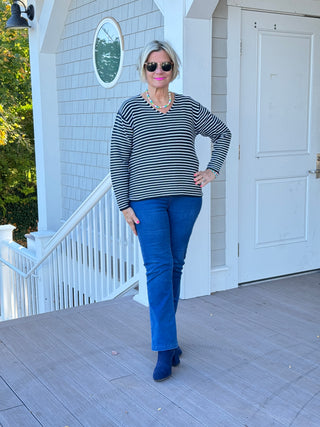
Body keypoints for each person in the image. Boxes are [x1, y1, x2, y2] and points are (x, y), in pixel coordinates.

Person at [110, 40, 231, 382]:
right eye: (152, 66)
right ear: (143, 70)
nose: (159, 71)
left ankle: (169, 340)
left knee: (175, 267)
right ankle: (165, 349)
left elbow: (222, 133)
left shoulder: (189, 108)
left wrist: (213, 170)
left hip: (185, 200)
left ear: (173, 69)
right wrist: (124, 204)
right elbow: (118, 159)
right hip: (146, 202)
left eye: (165, 65)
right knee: (159, 269)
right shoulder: (130, 110)